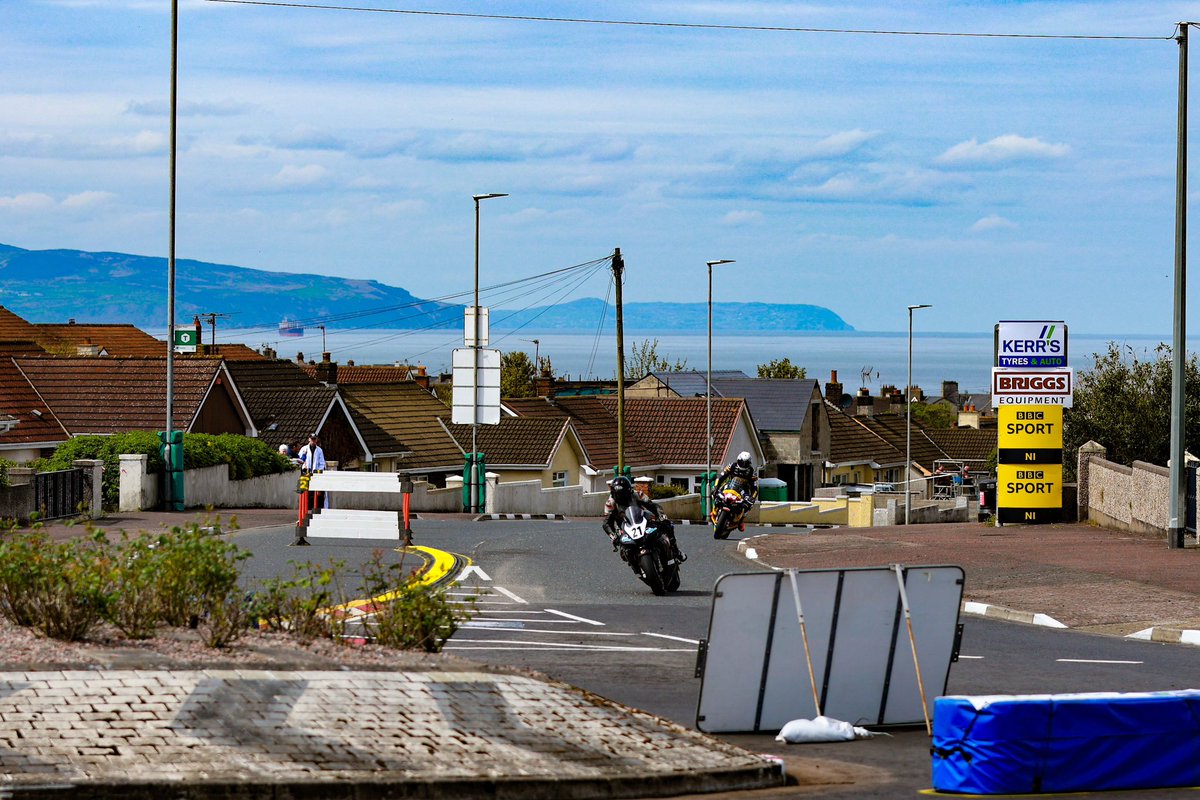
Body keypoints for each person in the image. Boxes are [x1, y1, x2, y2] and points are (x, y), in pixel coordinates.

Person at [603, 475, 686, 563]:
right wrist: (613, 536)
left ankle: (676, 551)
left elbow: (653, 506)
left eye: (623, 494)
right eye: (617, 494)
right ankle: (636, 566)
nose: (620, 497)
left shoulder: (637, 494)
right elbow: (607, 523)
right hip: (624, 528)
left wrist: (661, 516)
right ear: (612, 493)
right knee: (624, 552)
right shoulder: (610, 503)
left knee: (667, 525)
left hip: (642, 520)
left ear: (629, 491)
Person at [713, 451, 759, 532]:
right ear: (738, 460)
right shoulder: (732, 466)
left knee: (749, 505)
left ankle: (741, 520)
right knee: (716, 494)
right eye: (742, 462)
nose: (743, 465)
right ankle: (715, 510)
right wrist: (716, 487)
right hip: (730, 486)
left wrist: (752, 498)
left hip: (743, 491)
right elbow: (721, 477)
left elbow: (754, 488)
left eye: (746, 463)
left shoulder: (752, 472)